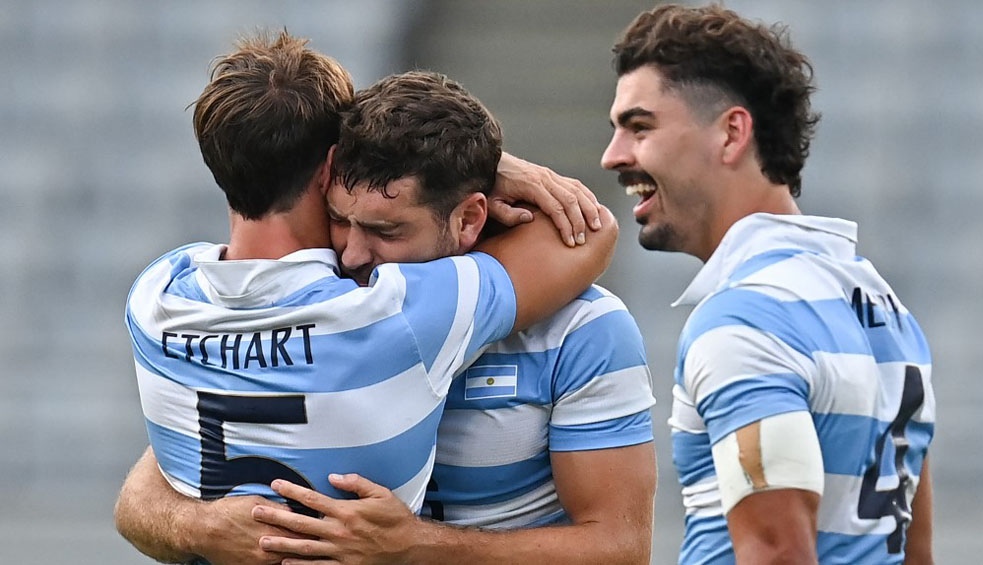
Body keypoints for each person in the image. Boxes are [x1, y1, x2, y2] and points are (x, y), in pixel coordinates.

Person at [116, 69, 656, 565]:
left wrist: (419, 548)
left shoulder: (584, 331)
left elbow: (620, 548)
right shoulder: (332, 313)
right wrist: (196, 524)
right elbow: (145, 493)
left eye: (385, 230)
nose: (352, 254)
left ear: (469, 217)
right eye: (337, 219)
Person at [601, 4, 935, 565]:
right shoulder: (884, 304)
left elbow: (778, 553)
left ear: (732, 133)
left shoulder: (745, 320)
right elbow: (914, 553)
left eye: (640, 127)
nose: (613, 156)